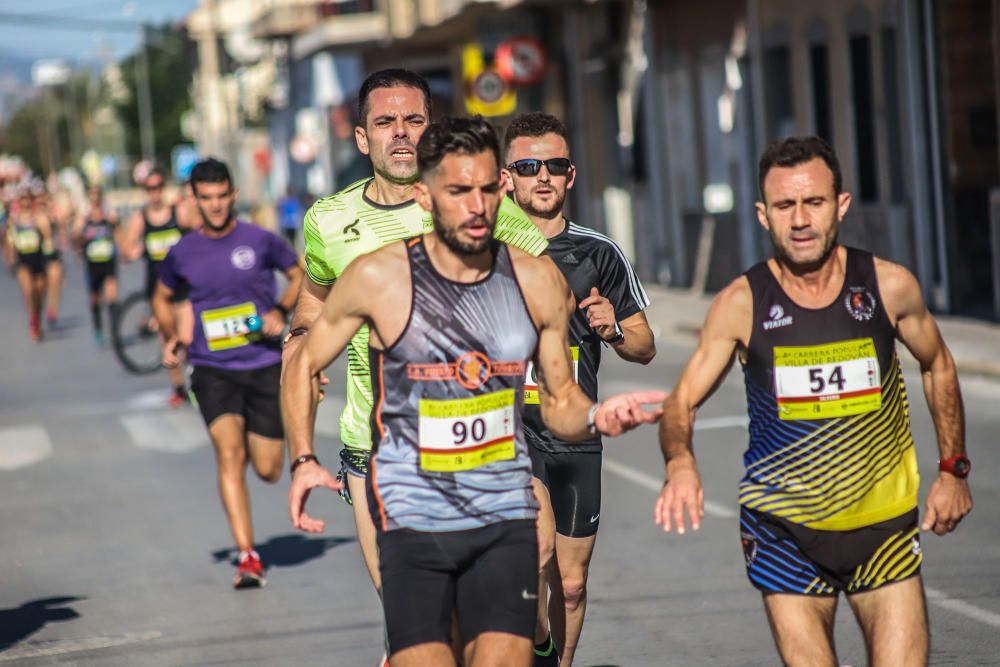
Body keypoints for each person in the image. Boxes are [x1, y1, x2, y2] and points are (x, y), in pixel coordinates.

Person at [282, 116, 665, 667]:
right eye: (458, 191)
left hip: (501, 515)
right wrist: (302, 458)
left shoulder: (535, 281)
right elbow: (302, 359)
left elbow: (558, 401)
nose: (477, 206)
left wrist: (598, 415)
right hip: (414, 517)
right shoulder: (378, 278)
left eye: (487, 189)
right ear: (424, 195)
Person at [653, 136, 973, 667]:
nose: (800, 219)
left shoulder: (889, 287)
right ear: (763, 214)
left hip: (883, 528)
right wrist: (680, 461)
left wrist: (954, 469)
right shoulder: (741, 303)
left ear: (840, 205)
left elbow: (937, 362)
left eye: (814, 202)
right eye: (784, 205)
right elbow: (680, 402)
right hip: (784, 531)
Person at [281, 69, 548, 663]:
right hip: (377, 451)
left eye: (414, 120)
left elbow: (543, 286)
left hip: (487, 447)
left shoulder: (476, 206)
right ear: (360, 137)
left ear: (432, 129)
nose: (400, 134)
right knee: (421, 629)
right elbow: (314, 298)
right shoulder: (329, 220)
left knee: (492, 628)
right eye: (385, 122)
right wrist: (300, 340)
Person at [502, 112, 656, 667]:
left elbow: (644, 346)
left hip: (576, 435)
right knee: (534, 555)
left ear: (570, 176)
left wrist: (612, 327)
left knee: (569, 583)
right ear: (506, 179)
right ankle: (534, 641)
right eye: (527, 166)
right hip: (509, 434)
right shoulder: (487, 249)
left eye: (555, 166)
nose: (542, 176)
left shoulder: (599, 253)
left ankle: (553, 659)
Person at [153, 158, 303, 588]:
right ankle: (248, 555)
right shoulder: (182, 253)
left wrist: (279, 310)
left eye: (222, 196)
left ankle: (251, 542)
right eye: (207, 198)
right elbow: (162, 299)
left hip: (263, 365)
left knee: (270, 468)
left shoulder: (260, 240)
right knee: (228, 453)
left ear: (234, 195)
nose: (216, 206)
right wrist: (173, 339)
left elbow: (299, 274)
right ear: (194, 199)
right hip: (211, 369)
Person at [124, 168, 199, 407]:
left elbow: (200, 232)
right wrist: (133, 251)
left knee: (187, 336)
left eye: (158, 187)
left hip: (182, 285)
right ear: (145, 191)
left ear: (163, 188)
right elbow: (126, 249)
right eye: (150, 188)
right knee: (168, 339)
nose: (155, 192)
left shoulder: (178, 212)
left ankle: (197, 381)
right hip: (157, 290)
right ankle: (178, 388)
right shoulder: (140, 218)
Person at [73, 186, 120, 346]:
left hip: (108, 262)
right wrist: (79, 238)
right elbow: (76, 237)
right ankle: (98, 329)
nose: (95, 199)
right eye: (92, 196)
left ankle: (114, 329)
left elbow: (118, 232)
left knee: (112, 296)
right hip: (92, 263)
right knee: (95, 299)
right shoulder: (84, 219)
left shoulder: (108, 216)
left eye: (97, 196)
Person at [8, 191, 52, 341]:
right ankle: (32, 318)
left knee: (39, 294)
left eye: (28, 199)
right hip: (23, 260)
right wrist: (11, 259)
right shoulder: (15, 220)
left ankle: (37, 319)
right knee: (29, 290)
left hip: (38, 259)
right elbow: (10, 241)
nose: (25, 202)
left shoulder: (38, 218)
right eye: (22, 199)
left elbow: (47, 238)